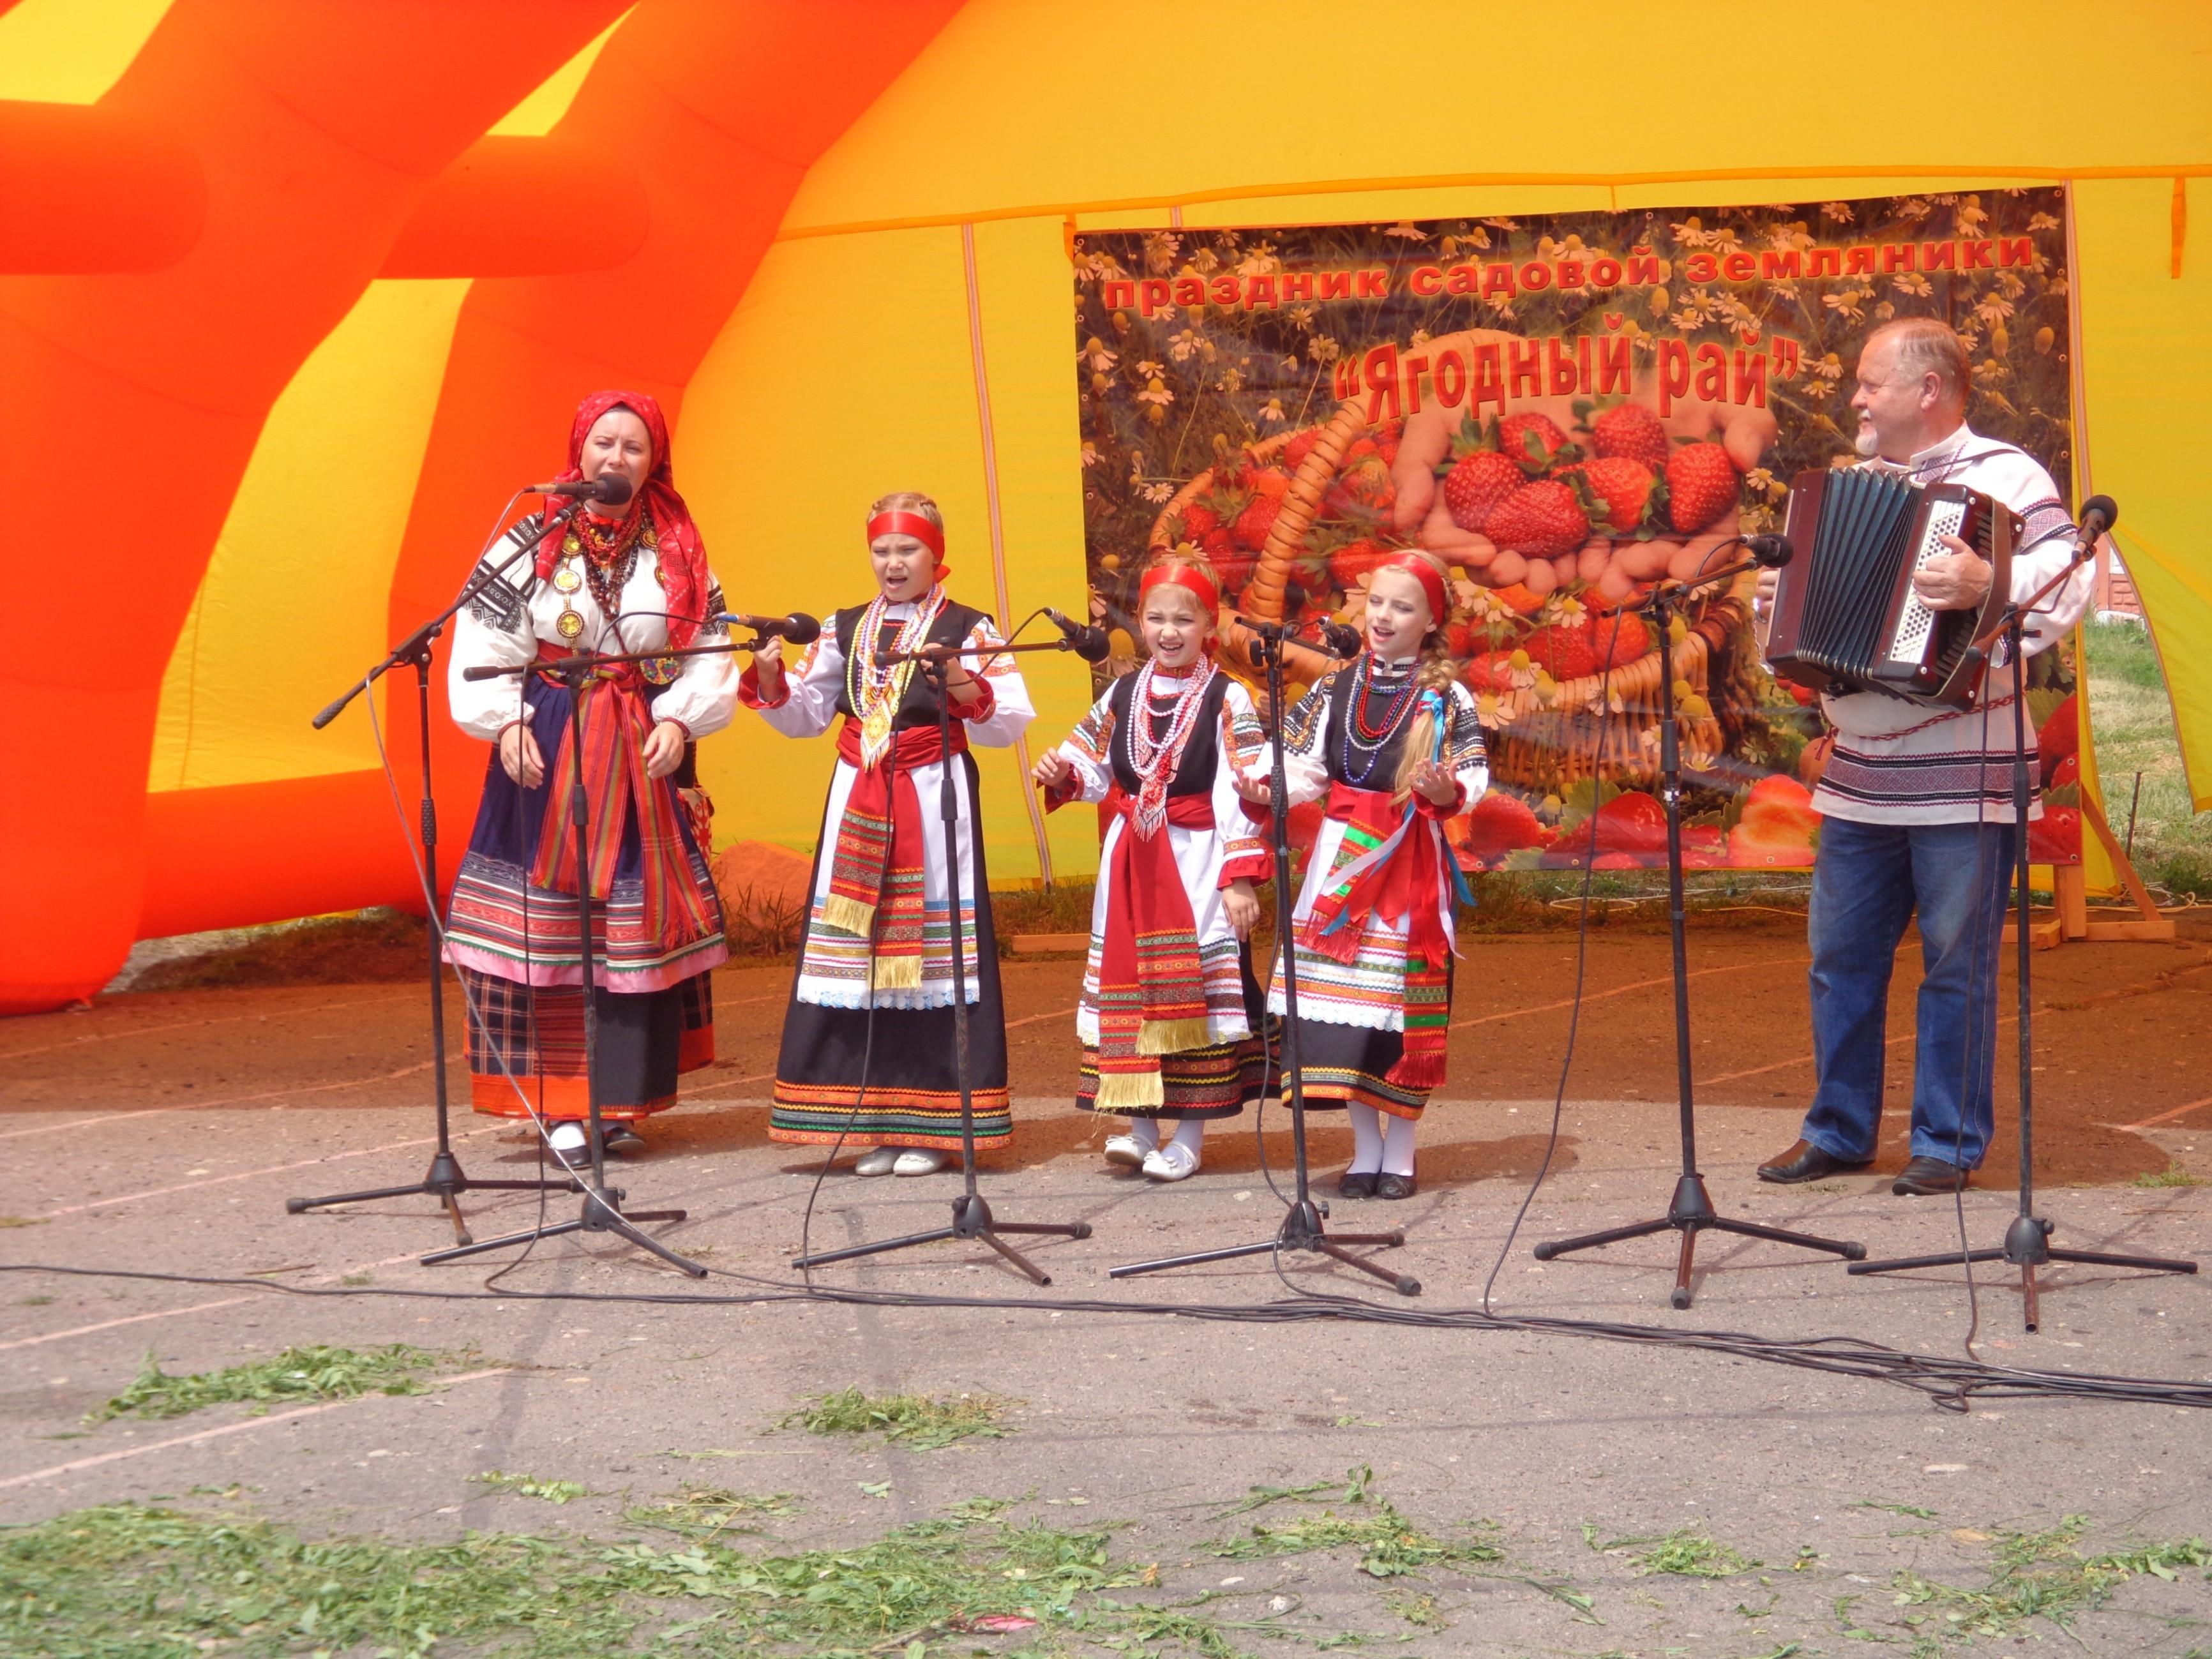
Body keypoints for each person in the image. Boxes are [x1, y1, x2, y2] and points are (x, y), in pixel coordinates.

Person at [1756, 317, 2094, 1196]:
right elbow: (1811, 618)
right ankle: (1838, 1129)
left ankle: (1945, 1141)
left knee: (1955, 962)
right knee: (1840, 958)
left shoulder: (2006, 474)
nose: (1856, 399)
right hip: (1862, 769)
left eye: (1871, 382)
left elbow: (2071, 578)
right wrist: (1777, 600)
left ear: (1928, 389)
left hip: (1964, 768)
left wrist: (1992, 584)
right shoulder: (1852, 487)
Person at [444, 391, 735, 1171]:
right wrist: (504, 721)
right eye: (604, 443)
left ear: (654, 461)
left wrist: (680, 717)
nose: (616, 458)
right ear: (578, 450)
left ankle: (617, 1101)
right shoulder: (528, 537)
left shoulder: (679, 546)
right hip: (546, 744)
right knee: (548, 927)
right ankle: (558, 1103)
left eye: (633, 447)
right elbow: (482, 637)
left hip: (637, 747)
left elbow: (711, 647)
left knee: (625, 931)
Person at [741, 492, 1034, 1176]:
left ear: (937, 556)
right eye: (882, 550)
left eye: (908, 550)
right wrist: (765, 669)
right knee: (864, 959)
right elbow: (806, 714)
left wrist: (959, 678)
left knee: (930, 959)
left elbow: (1006, 722)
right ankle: (878, 1120)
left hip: (934, 797)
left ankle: (933, 1127)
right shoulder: (844, 628)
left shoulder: (970, 625)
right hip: (858, 794)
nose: (893, 563)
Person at [1238, 550, 1487, 1199]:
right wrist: (1265, 785)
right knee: (1342, 1016)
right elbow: (1302, 762)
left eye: (1402, 607)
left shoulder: (1445, 695)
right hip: (1342, 861)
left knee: (1394, 1013)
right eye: (1376, 601)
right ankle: (1365, 1149)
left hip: (1407, 862)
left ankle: (1400, 1155)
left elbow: (1473, 776)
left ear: (1431, 621)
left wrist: (1443, 789)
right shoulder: (1333, 686)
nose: (1382, 616)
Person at [1032, 559, 1272, 1182]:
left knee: (1186, 991)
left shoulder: (1229, 697)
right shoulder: (1122, 691)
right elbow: (1091, 761)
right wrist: (1066, 775)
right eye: (1157, 618)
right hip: (1131, 861)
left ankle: (1188, 1136)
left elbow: (1243, 789)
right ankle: (1139, 1128)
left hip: (1196, 861)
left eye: (1183, 619)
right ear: (1139, 622)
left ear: (1207, 625)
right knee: (1133, 989)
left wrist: (1239, 876)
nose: (1169, 631)